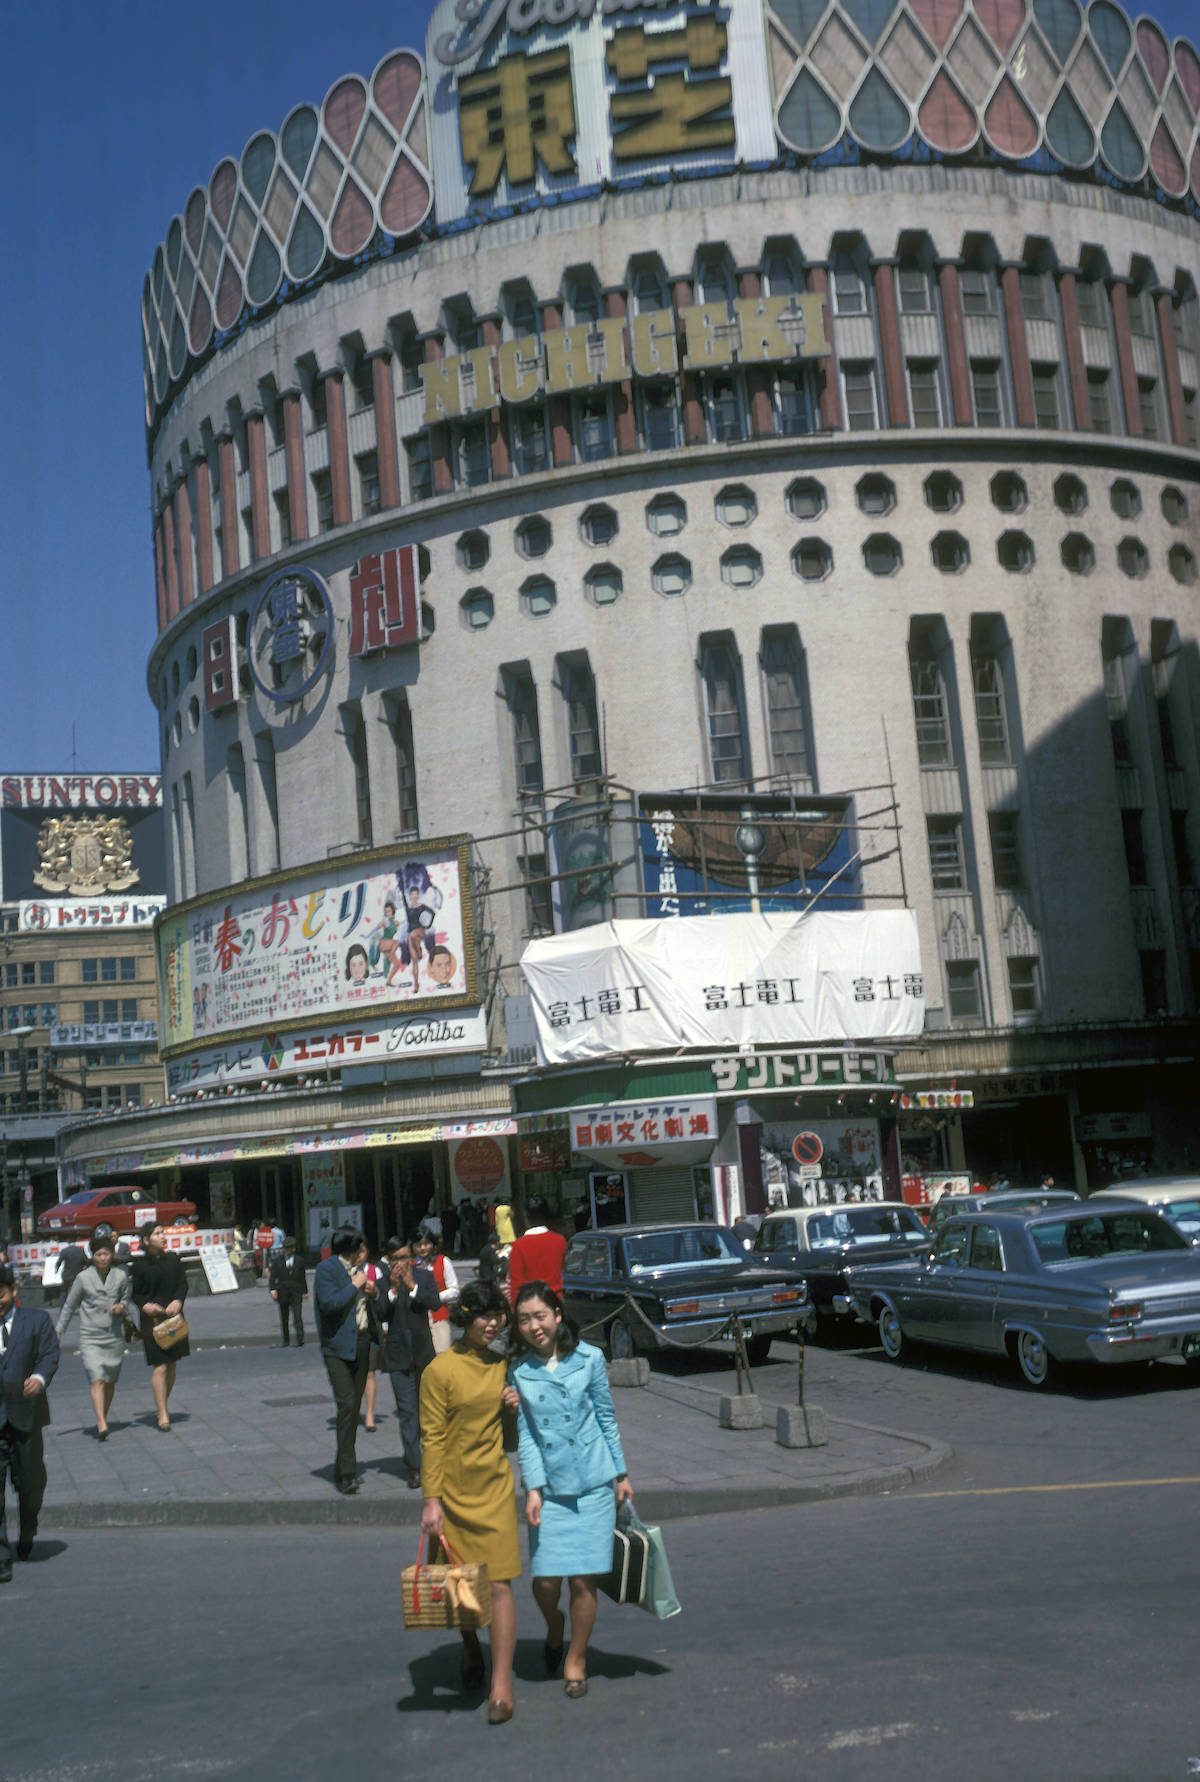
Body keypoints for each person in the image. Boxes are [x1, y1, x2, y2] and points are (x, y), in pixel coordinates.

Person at [509, 1282, 634, 1698]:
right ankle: (555, 1625)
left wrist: (621, 1473)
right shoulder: (520, 1371)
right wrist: (533, 1488)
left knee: (583, 1581)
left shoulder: (591, 1359)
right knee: (544, 1581)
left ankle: (575, 1658)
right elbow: (526, 1435)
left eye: (540, 1316)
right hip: (550, 1491)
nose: (533, 1326)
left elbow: (605, 1417)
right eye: (524, 1319)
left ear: (557, 1315)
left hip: (594, 1483)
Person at [420, 1280, 521, 1725]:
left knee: (499, 1586)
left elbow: (513, 1441)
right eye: (482, 1315)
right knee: (462, 1587)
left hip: (494, 1487)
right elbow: (433, 1439)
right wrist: (431, 1500)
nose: (491, 1323)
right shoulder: (439, 1371)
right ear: (465, 1318)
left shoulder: (503, 1366)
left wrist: (514, 1410)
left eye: (497, 1315)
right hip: (454, 1492)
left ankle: (501, 1686)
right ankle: (469, 1647)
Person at [0, 1263, 60, 1580]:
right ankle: (1, 1558)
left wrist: (39, 1377)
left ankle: (27, 1530)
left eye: (1, 1294)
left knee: (31, 1484)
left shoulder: (36, 1321)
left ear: (12, 1292)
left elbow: (49, 1354)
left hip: (26, 1417)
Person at [313, 1227, 379, 1495]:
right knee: (348, 1404)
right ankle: (347, 1473)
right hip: (337, 1348)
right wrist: (354, 1284)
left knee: (352, 1410)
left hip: (362, 1343)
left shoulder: (362, 1271)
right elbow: (329, 1304)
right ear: (352, 1249)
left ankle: (343, 1465)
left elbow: (377, 1303)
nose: (364, 1254)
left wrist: (373, 1292)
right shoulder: (327, 1270)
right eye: (360, 1249)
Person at [54, 1233, 131, 1439]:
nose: (103, 1258)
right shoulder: (83, 1278)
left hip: (113, 1336)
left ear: (112, 1255)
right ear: (92, 1256)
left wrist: (121, 1306)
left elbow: (126, 1298)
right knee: (96, 1379)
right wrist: (59, 1330)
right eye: (98, 1254)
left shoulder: (121, 1276)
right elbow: (69, 1306)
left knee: (110, 1381)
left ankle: (102, 1416)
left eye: (106, 1254)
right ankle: (101, 1422)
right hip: (91, 1336)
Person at [379, 1242, 439, 1488]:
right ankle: (415, 1467)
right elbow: (380, 1313)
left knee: (428, 1412)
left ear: (412, 1258)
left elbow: (434, 1303)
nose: (400, 1264)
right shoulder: (384, 1281)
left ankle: (430, 1460)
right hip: (398, 1356)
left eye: (404, 1258)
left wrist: (412, 1287)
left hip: (423, 1354)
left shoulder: (424, 1276)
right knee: (407, 1412)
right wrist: (393, 1289)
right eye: (395, 1259)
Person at [128, 1222, 189, 1432]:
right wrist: (145, 1305)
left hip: (173, 1318)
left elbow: (183, 1284)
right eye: (157, 1233)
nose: (162, 1236)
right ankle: (162, 1413)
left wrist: (178, 1301)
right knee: (160, 1365)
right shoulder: (139, 1265)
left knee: (172, 1365)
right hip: (152, 1321)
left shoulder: (173, 1259)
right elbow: (135, 1293)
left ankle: (161, 1403)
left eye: (163, 1232)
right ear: (146, 1240)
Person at [507, 1200, 568, 1300]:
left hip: (530, 1302)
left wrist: (515, 1309)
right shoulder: (560, 1240)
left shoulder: (518, 1245)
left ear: (526, 1218)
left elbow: (516, 1284)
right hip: (556, 1300)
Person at [412, 1225, 459, 1354]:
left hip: (439, 1315)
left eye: (426, 1244)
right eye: (418, 1245)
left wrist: (434, 1298)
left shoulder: (443, 1261)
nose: (422, 1248)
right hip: (417, 1318)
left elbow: (454, 1290)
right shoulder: (410, 1265)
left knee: (441, 1354)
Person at [361, 1247, 389, 1432]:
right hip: (352, 1329)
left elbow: (382, 1299)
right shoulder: (342, 1273)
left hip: (371, 1327)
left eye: (363, 1249)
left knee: (370, 1372)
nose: (360, 1253)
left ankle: (370, 1413)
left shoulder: (374, 1270)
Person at [268, 1236, 308, 1346]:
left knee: (297, 1316)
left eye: (290, 1248)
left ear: (293, 1249)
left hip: (296, 1292)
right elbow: (272, 1277)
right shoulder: (277, 1261)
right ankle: (286, 1340)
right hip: (283, 1292)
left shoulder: (299, 1261)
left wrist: (305, 1292)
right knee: (284, 1318)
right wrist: (273, 1289)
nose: (287, 1250)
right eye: (286, 1248)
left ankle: (300, 1339)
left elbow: (302, 1277)